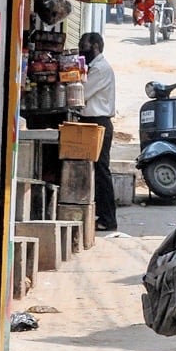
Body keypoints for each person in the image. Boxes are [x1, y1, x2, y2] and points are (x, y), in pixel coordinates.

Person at [78, 32, 117, 233]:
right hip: (92, 123)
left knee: (101, 171)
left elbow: (81, 94)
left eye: (83, 46)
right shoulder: (95, 68)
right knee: (94, 170)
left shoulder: (100, 69)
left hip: (98, 123)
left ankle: (108, 218)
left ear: (95, 47)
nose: (81, 50)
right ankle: (101, 215)